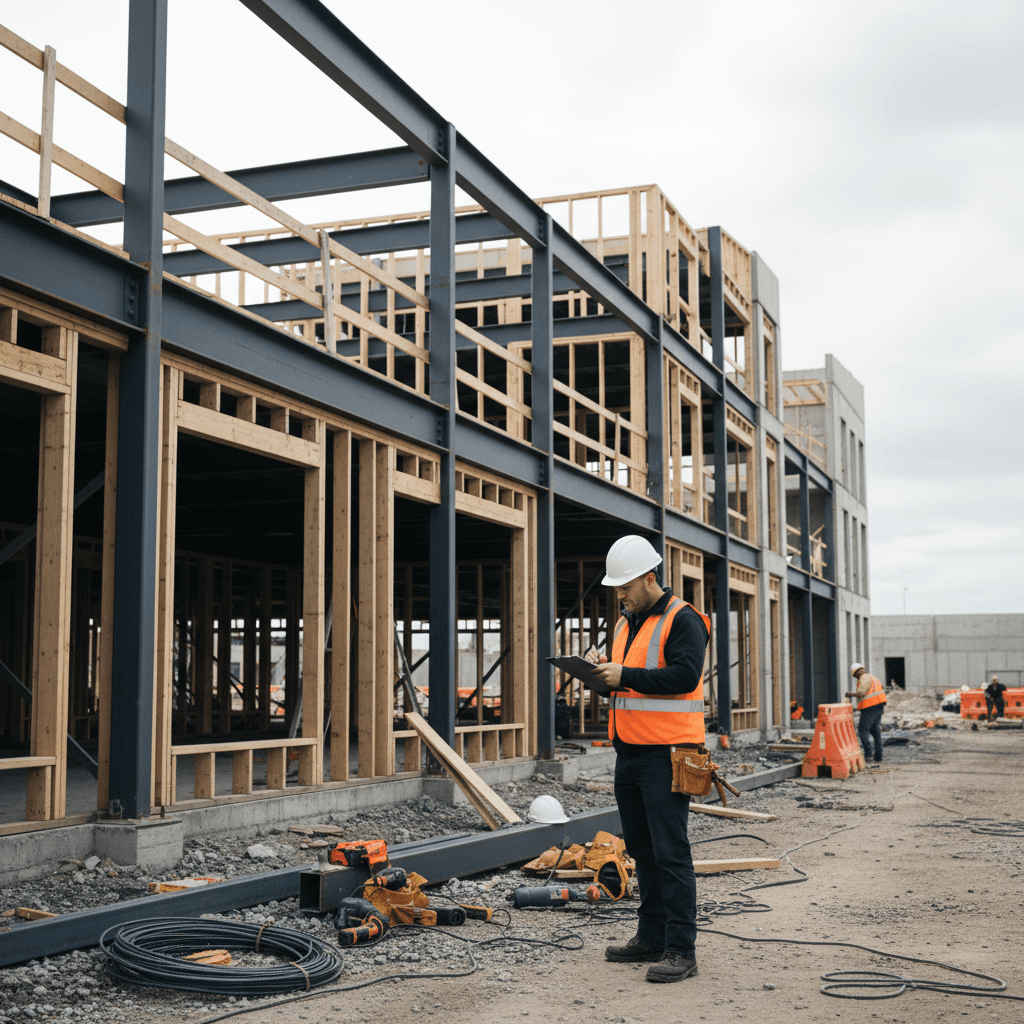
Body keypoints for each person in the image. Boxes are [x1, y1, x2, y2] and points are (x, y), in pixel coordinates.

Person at [588, 535, 710, 984]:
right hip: (630, 752)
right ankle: (651, 937)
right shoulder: (625, 623)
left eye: (625, 586)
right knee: (642, 850)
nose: (620, 594)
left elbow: (683, 675)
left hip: (668, 753)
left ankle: (681, 949)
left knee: (671, 853)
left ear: (649, 577)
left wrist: (626, 675)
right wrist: (602, 672)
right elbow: (631, 678)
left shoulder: (684, 619)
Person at [852, 662, 886, 763]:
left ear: (856, 673)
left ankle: (868, 754)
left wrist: (849, 694)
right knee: (875, 731)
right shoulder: (872, 677)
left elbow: (861, 693)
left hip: (870, 707)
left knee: (863, 731)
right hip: (879, 706)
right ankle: (878, 756)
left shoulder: (863, 678)